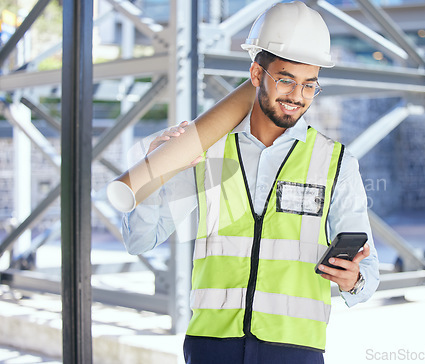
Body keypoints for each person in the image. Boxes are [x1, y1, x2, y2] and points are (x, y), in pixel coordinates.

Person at [122, 2, 379, 363]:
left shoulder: (336, 163)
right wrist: (154, 172)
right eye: (286, 80)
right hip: (211, 345)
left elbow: (368, 274)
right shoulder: (206, 152)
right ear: (257, 74)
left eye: (309, 85)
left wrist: (353, 279)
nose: (297, 97)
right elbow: (139, 240)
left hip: (295, 350)